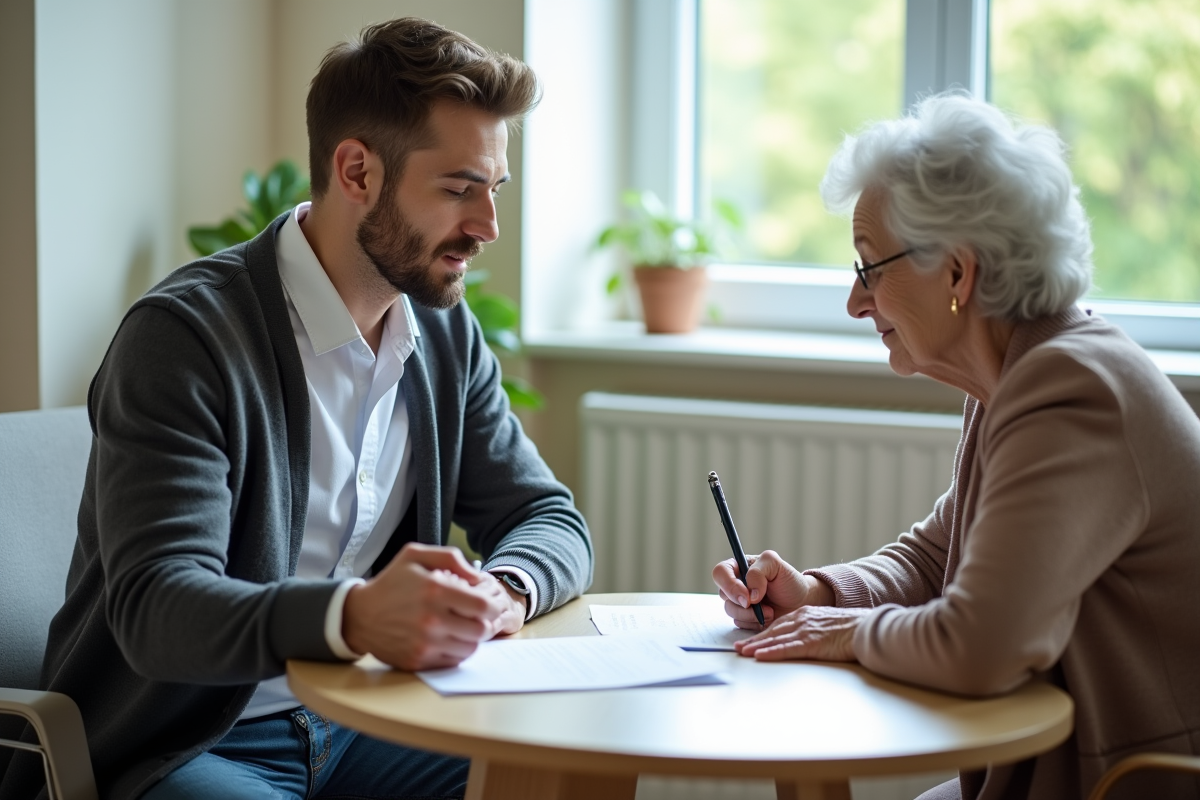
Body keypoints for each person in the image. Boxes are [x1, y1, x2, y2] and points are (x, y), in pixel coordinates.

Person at [0, 17, 592, 800]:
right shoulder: (184, 340)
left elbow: (548, 515)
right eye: (457, 189)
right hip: (189, 745)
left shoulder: (443, 334)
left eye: (493, 190)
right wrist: (355, 617)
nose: (485, 226)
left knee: (555, 772)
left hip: (370, 720)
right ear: (357, 172)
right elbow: (157, 606)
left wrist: (506, 588)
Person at [712, 94, 1200, 800]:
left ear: (957, 273)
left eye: (870, 268)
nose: (855, 301)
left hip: (1140, 783)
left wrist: (844, 631)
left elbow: (982, 648)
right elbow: (940, 557)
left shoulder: (1072, 388)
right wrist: (818, 593)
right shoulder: (1019, 374)